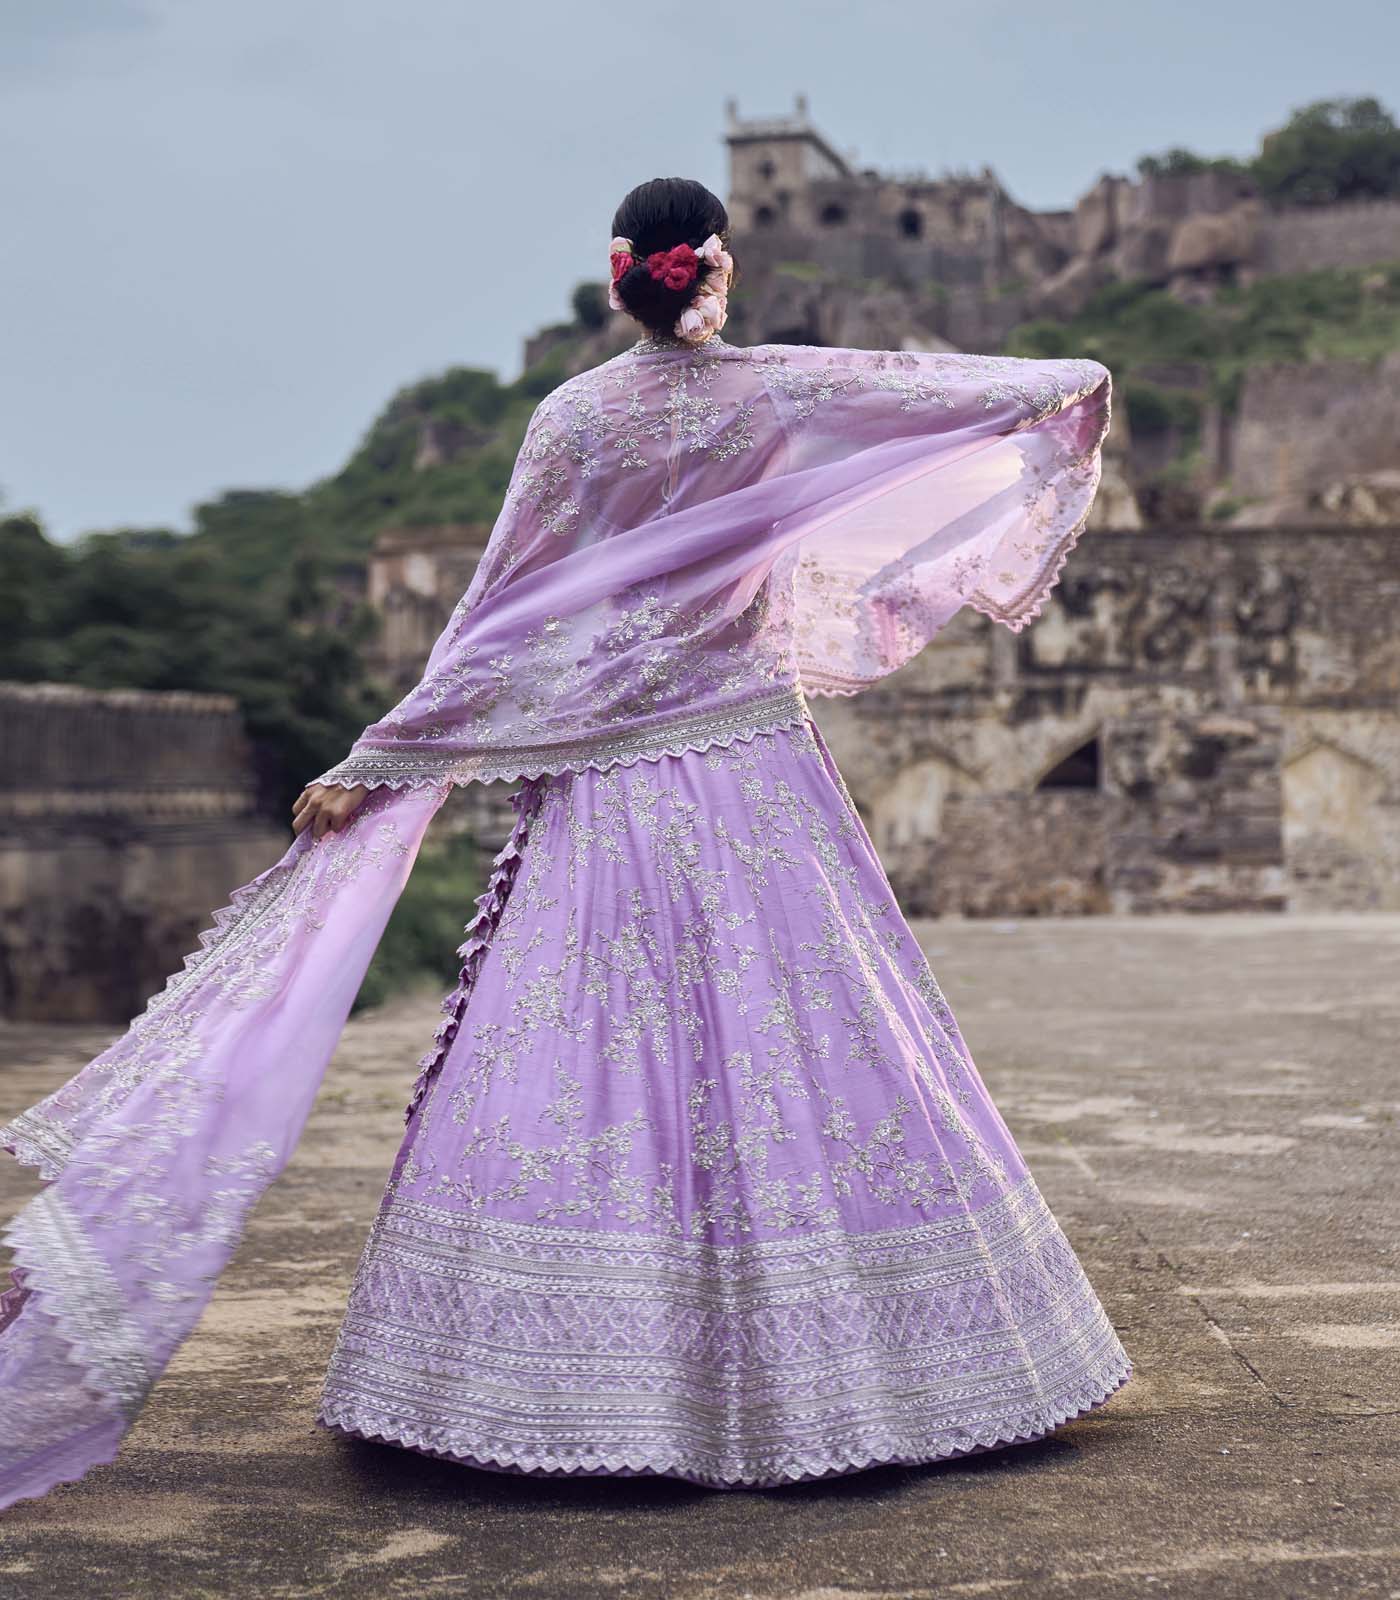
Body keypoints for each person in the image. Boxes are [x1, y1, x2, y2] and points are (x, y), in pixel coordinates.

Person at [0, 178, 1129, 1504]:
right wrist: (1075, 402)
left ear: (618, 279)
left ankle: (545, 1379)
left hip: (608, 792)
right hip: (755, 780)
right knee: (810, 1052)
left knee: (584, 1063)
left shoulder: (572, 418)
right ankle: (882, 1367)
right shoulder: (782, 394)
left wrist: (378, 759)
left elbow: (497, 620)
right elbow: (1038, 387)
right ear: (719, 267)